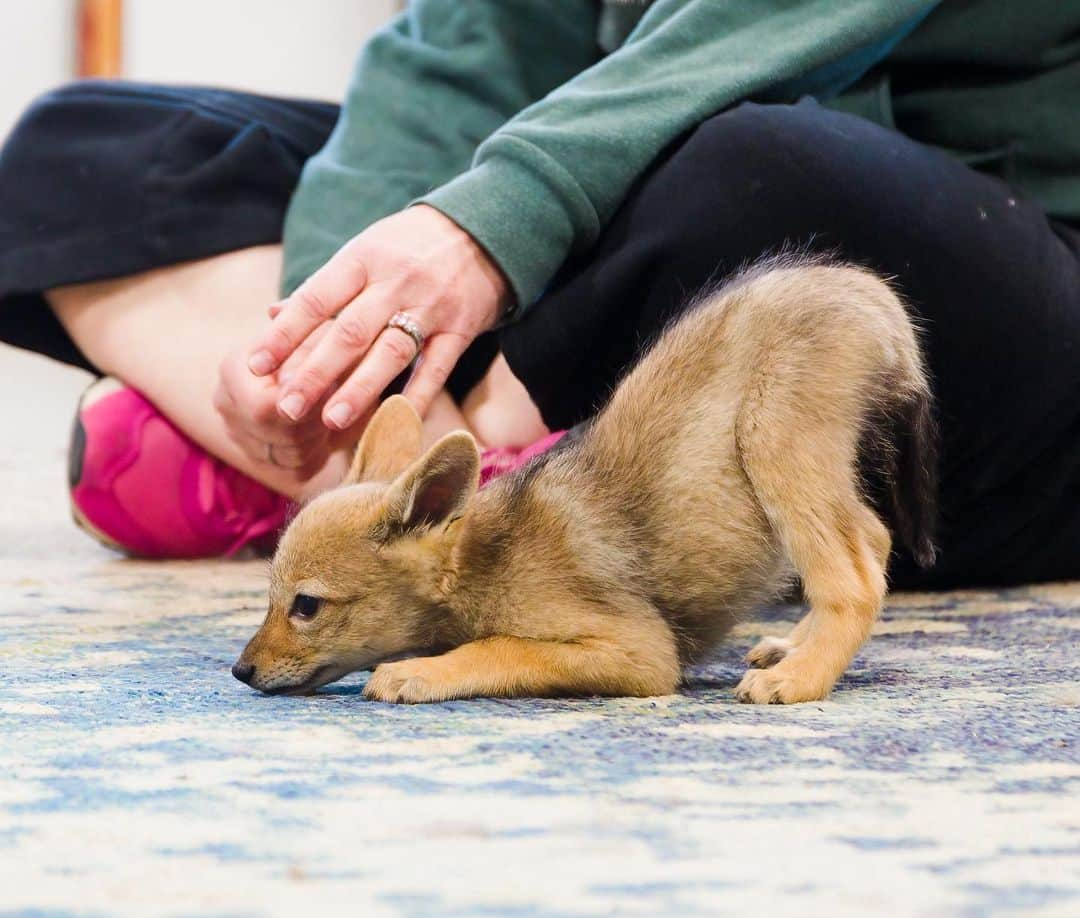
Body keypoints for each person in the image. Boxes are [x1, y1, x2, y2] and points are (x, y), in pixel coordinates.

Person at [1, 0, 1077, 583]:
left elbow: (758, 37)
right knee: (84, 143)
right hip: (630, 189)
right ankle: (396, 477)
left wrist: (492, 223)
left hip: (978, 297)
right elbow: (464, 56)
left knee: (765, 170)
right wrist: (332, 341)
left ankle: (335, 490)